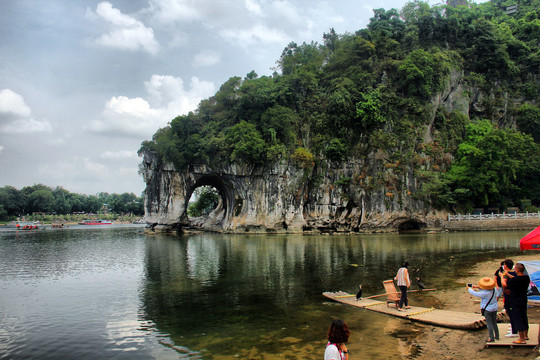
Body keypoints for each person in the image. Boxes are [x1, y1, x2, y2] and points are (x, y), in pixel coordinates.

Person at [502, 262, 530, 344]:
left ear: (517, 270)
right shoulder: (526, 278)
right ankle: (526, 335)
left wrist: (502, 277)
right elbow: (516, 278)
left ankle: (521, 338)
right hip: (523, 300)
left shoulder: (513, 281)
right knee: (524, 316)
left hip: (515, 300)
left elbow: (504, 284)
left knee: (518, 318)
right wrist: (508, 274)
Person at [467, 277, 500, 342]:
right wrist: (477, 287)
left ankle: (491, 338)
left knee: (489, 323)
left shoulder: (485, 293)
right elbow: (495, 293)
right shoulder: (494, 290)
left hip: (488, 309)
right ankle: (497, 336)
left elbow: (475, 293)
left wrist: (469, 289)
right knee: (494, 322)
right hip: (495, 308)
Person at [497, 259, 518, 337]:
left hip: (509, 295)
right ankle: (514, 327)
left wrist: (501, 276)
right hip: (515, 295)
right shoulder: (515, 273)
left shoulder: (506, 274)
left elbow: (504, 284)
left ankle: (514, 330)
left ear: (505, 265)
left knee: (510, 311)